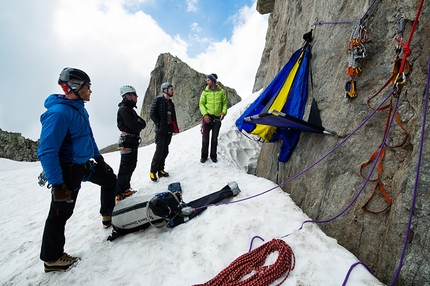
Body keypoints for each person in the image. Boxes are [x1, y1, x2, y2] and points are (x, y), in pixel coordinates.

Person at [37, 67, 116, 272]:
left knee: (109, 179)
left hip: (83, 164)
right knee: (60, 213)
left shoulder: (78, 108)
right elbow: (47, 152)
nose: (90, 91)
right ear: (75, 87)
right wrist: (57, 185)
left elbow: (87, 135)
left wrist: (99, 158)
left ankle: (108, 215)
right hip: (67, 170)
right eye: (88, 87)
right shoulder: (59, 113)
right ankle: (52, 258)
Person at [116, 85, 146, 204]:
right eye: (134, 94)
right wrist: (138, 123)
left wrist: (138, 123)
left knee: (131, 165)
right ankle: (118, 193)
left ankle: (125, 189)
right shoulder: (124, 109)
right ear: (128, 96)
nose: (136, 97)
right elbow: (136, 126)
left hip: (131, 141)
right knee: (125, 167)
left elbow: (142, 123)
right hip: (128, 141)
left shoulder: (129, 109)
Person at [149, 82, 179, 182]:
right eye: (171, 89)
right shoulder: (158, 100)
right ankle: (153, 171)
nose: (173, 91)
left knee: (165, 151)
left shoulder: (171, 103)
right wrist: (159, 124)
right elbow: (152, 114)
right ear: (165, 90)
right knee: (159, 152)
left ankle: (161, 169)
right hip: (161, 131)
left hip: (168, 130)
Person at [199, 73, 228, 163]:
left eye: (208, 80)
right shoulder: (205, 92)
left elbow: (224, 103)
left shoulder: (221, 92)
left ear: (213, 81)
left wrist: (223, 113)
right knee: (205, 138)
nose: (206, 81)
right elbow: (201, 104)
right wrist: (205, 115)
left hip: (217, 118)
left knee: (214, 138)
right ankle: (204, 156)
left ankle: (213, 156)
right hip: (207, 117)